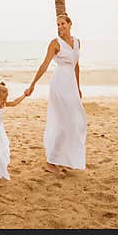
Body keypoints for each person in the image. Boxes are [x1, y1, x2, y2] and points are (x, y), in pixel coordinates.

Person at [25, 13, 86, 177]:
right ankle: (51, 162)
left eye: (63, 24)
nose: (60, 27)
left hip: (71, 85)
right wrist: (32, 84)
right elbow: (44, 65)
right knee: (63, 121)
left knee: (76, 121)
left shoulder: (77, 42)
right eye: (58, 25)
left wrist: (78, 87)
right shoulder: (55, 43)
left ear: (70, 24)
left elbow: (76, 66)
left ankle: (61, 159)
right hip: (59, 84)